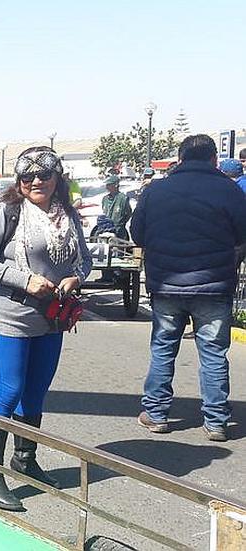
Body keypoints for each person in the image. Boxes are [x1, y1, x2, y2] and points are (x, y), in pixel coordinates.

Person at [0, 146, 92, 511]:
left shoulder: (66, 214)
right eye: (28, 176)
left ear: (57, 178)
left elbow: (82, 259)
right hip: (11, 315)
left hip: (51, 317)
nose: (36, 181)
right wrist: (24, 280)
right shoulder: (7, 212)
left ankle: (25, 459)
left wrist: (74, 277)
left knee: (36, 392)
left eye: (45, 174)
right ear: (19, 181)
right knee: (9, 390)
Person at [132, 135, 246, 443]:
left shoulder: (156, 190)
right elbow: (242, 234)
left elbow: (137, 234)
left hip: (167, 285)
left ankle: (156, 415)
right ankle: (217, 421)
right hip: (214, 286)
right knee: (213, 353)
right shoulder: (230, 190)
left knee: (163, 348)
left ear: (180, 159)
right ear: (214, 160)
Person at [100, 175, 132, 240]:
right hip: (107, 232)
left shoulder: (123, 198)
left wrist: (120, 224)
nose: (107, 187)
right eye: (107, 185)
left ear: (116, 185)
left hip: (119, 232)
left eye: (109, 185)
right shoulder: (105, 199)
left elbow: (128, 213)